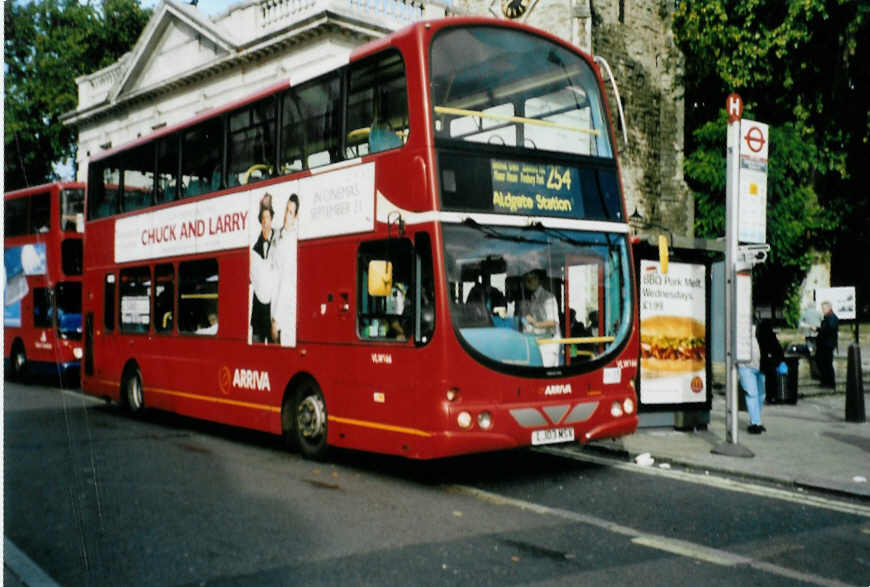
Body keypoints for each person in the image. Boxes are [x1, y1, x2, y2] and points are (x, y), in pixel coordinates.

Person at [271, 194, 299, 347]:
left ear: (295, 217)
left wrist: (276, 319)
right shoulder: (279, 236)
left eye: (290, 213)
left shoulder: (291, 244)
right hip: (273, 306)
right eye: (285, 211)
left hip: (283, 315)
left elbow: (285, 283)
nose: (286, 216)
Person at [250, 195, 277, 343]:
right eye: (263, 219)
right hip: (259, 313)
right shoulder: (255, 247)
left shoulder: (279, 241)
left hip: (273, 311)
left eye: (268, 218)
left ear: (272, 219)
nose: (266, 222)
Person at [520, 269, 561, 367]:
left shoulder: (548, 297)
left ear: (539, 280)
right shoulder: (532, 298)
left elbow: (553, 321)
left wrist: (536, 324)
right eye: (527, 279)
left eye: (533, 278)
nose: (529, 281)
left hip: (548, 345)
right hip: (536, 343)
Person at [738, 321, 766, 434]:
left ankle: (756, 420)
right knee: (752, 393)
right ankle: (755, 422)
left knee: (761, 394)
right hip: (745, 366)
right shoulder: (739, 330)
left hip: (761, 366)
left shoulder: (761, 328)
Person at [756, 319, 785, 403]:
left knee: (765, 379)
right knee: (771, 379)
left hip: (764, 359)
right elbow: (777, 348)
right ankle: (771, 396)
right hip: (772, 360)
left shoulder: (759, 336)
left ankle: (766, 396)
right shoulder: (771, 335)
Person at [815, 301, 839, 388]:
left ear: (829, 308)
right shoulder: (827, 317)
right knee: (823, 362)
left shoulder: (831, 317)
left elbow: (829, 329)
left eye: (824, 308)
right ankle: (826, 381)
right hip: (824, 344)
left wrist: (819, 329)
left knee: (827, 363)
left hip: (827, 344)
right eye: (822, 308)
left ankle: (829, 382)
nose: (822, 310)